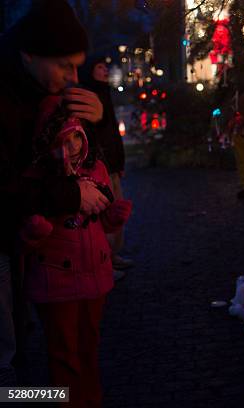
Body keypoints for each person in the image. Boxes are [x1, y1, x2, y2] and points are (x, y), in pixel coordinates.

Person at [0, 0, 107, 386]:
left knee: (26, 351)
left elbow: (82, 158)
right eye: (64, 64)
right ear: (29, 54)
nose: (73, 76)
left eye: (78, 64)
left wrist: (97, 119)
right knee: (7, 360)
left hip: (26, 248)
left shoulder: (38, 89)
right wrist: (71, 196)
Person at [19, 95, 131, 407]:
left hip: (94, 278)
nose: (70, 150)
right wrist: (35, 231)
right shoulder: (40, 180)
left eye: (75, 140)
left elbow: (100, 221)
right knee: (63, 353)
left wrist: (113, 217)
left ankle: (91, 399)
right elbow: (25, 241)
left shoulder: (96, 169)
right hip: (56, 282)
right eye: (62, 142)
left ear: (83, 137)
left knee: (88, 348)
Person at [81, 56, 134, 280]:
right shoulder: (90, 96)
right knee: (105, 213)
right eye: (99, 67)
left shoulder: (105, 93)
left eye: (105, 67)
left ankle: (113, 255)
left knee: (117, 210)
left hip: (111, 163)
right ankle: (105, 262)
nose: (104, 70)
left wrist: (119, 161)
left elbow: (113, 133)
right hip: (99, 165)